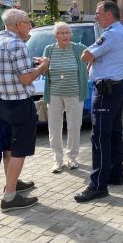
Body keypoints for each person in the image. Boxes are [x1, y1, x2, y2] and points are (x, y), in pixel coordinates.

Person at [0, 9, 50, 212]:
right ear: (18, 24)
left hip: (0, 104)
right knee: (19, 150)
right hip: (20, 105)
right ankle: (9, 197)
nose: (30, 26)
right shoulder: (18, 45)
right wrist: (43, 66)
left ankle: (12, 182)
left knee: (8, 148)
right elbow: (26, 79)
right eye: (28, 22)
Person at [75, 0, 123, 203]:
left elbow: (85, 55)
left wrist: (92, 59)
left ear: (109, 14)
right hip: (115, 87)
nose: (96, 16)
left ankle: (98, 185)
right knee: (114, 133)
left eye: (98, 13)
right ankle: (115, 173)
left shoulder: (111, 34)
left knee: (99, 137)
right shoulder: (119, 32)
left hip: (107, 90)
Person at [42, 22, 89, 173]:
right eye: (61, 33)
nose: (65, 35)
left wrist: (89, 68)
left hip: (74, 93)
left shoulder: (79, 48)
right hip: (54, 94)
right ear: (55, 36)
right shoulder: (49, 50)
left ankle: (72, 157)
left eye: (67, 32)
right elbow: (44, 72)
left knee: (74, 126)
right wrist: (42, 65)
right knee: (54, 128)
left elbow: (93, 57)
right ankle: (57, 160)